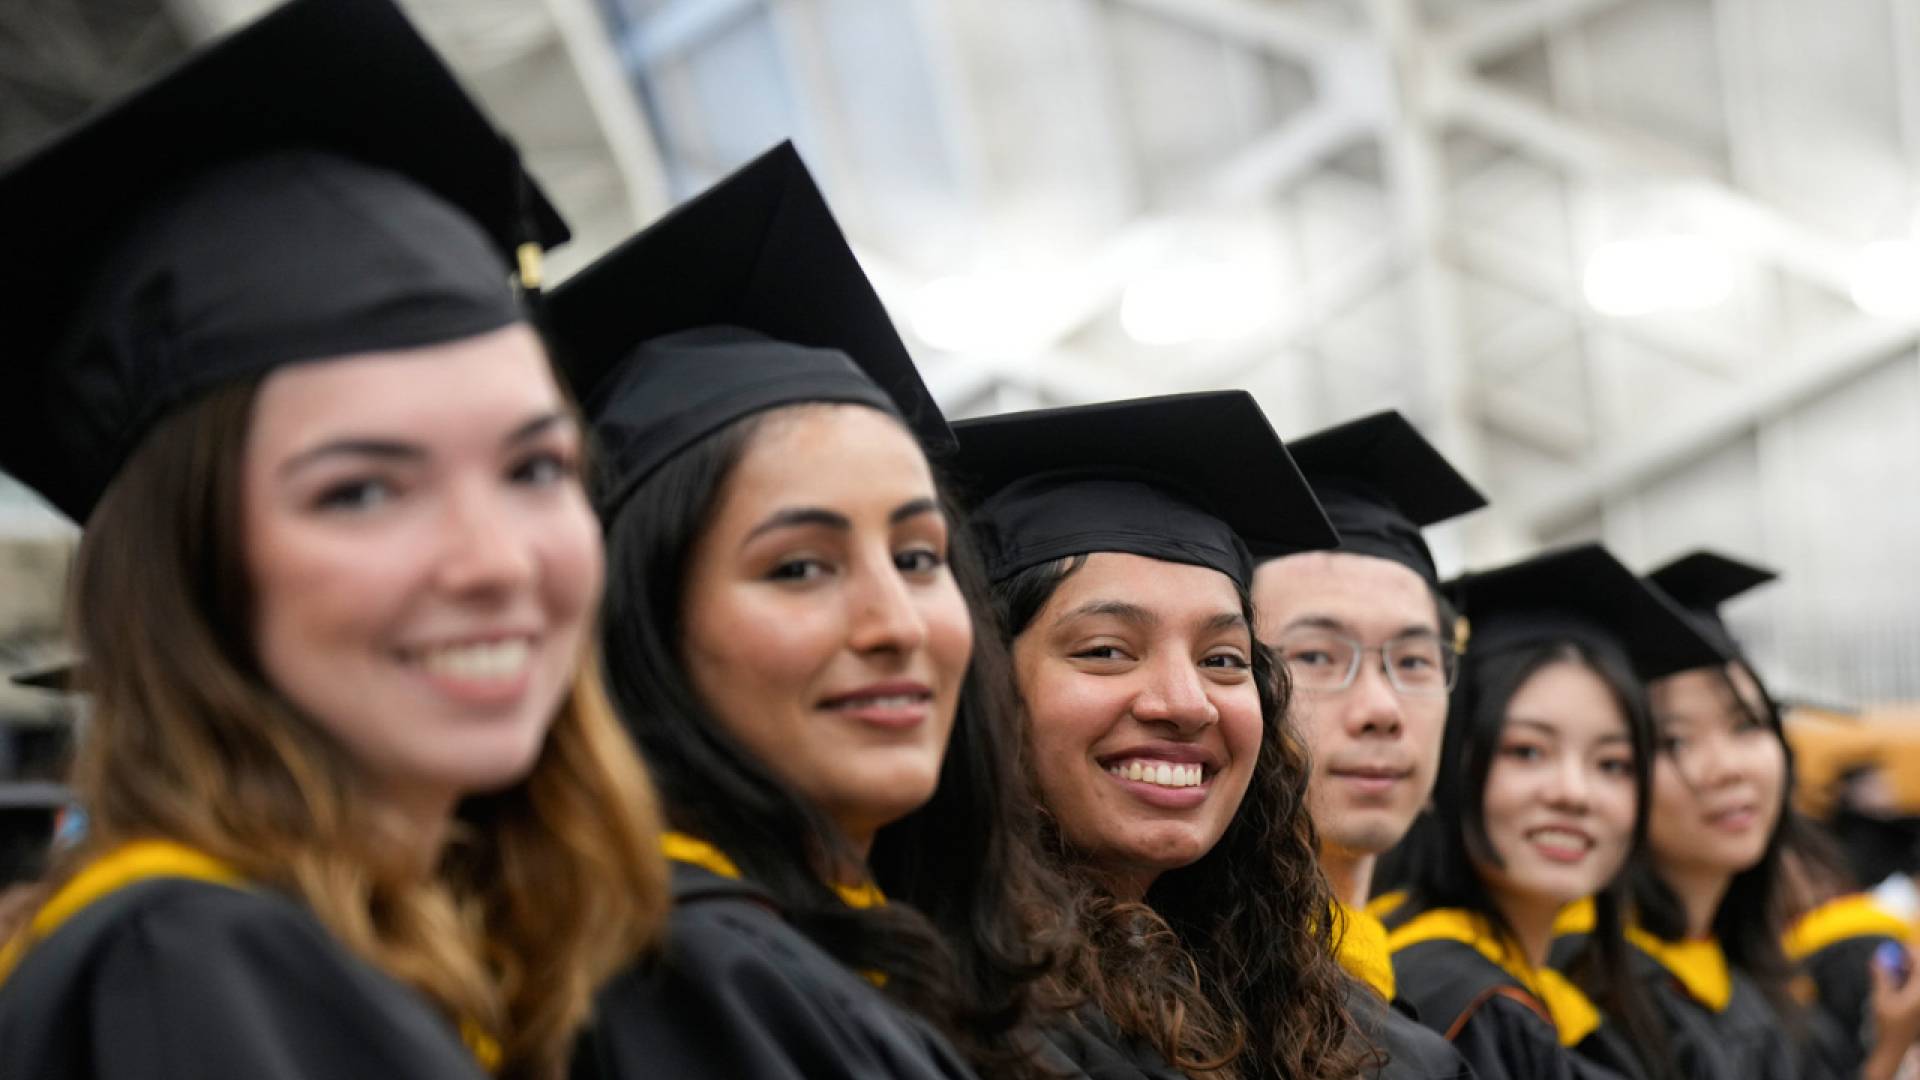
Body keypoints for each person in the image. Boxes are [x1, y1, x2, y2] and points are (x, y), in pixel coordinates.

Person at [0, 1, 669, 1076]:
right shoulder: (189, 971)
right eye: (361, 492)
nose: (495, 560)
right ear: (186, 565)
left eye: (535, 468)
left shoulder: (405, 938)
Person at [553, 142, 1072, 1080]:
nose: (896, 624)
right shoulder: (694, 982)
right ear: (640, 624)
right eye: (799, 568)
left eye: (918, 557)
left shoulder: (865, 956)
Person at [959, 391, 1369, 1080]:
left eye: (1222, 660)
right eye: (1106, 649)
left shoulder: (1297, 1008)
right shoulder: (957, 1015)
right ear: (982, 685)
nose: (1187, 704)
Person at [1384, 544, 1722, 1080]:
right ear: (1450, 763)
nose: (1574, 793)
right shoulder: (1451, 1001)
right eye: (1527, 751)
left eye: (1612, 764)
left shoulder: (1565, 998)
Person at [1251, 410, 1483, 1080]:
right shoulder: (1191, 1013)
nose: (1380, 709)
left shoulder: (1398, 997)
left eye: (1413, 662)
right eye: (1319, 656)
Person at [1638, 551, 1920, 1080]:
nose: (1725, 768)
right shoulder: (1608, 996)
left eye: (1746, 725)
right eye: (1674, 739)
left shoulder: (1740, 967)